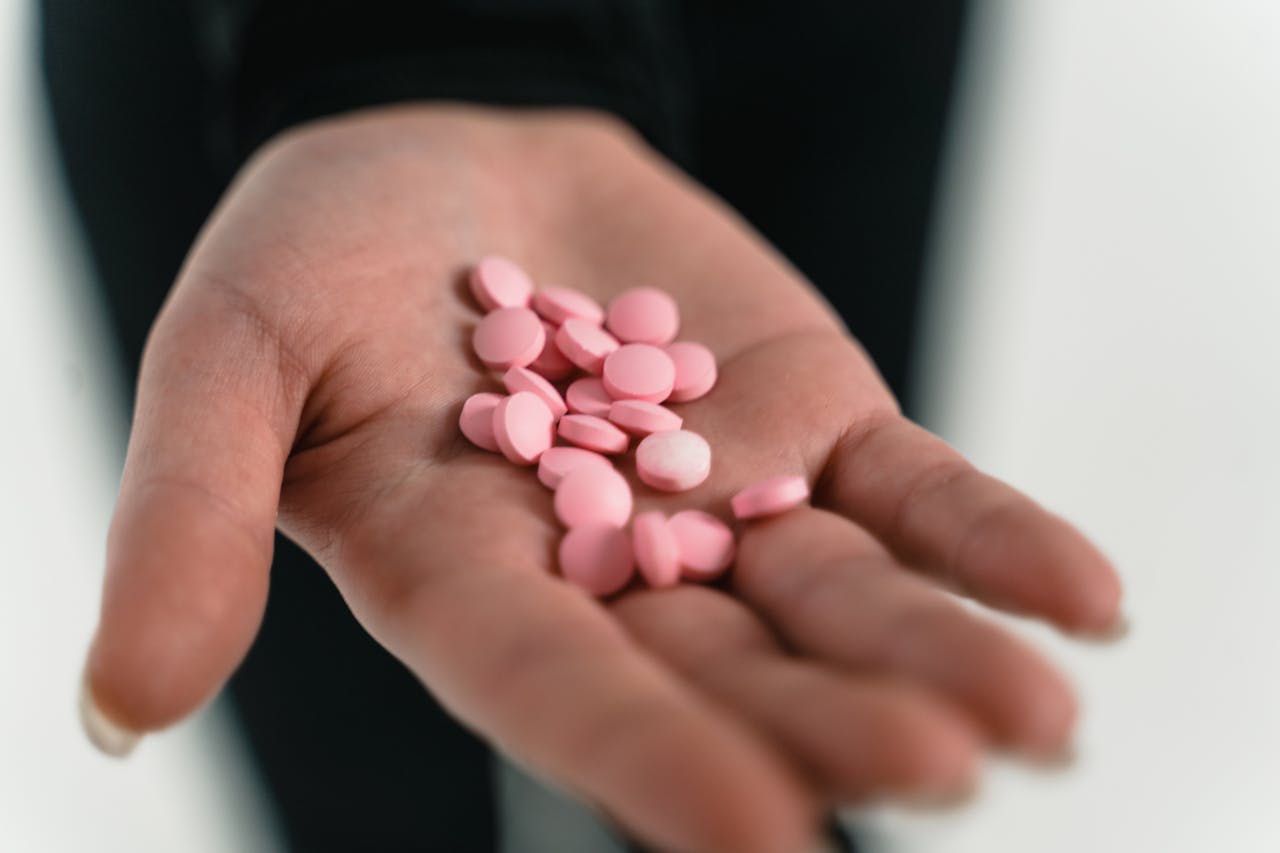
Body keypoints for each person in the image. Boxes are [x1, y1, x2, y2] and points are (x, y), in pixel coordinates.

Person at [42, 3, 1124, 851]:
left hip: (816, 41)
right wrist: (410, 44)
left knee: (770, 728)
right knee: (364, 710)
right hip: (266, 57)